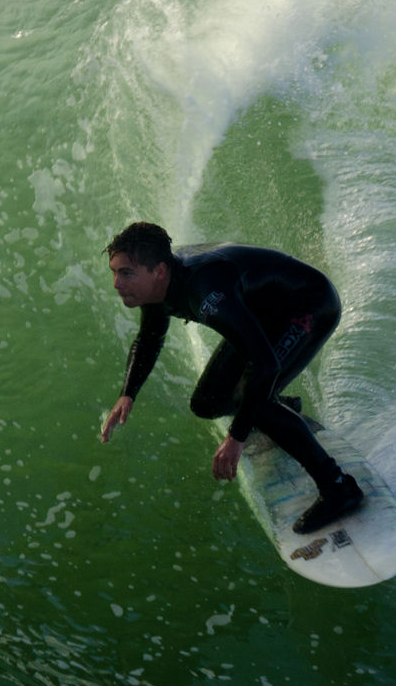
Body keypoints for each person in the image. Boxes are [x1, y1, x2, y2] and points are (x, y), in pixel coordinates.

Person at [98, 221, 367, 535]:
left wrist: (237, 437)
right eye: (114, 272)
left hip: (308, 305)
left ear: (158, 271)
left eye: (126, 273)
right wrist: (127, 393)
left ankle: (339, 488)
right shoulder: (160, 287)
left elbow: (264, 365)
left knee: (257, 400)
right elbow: (149, 337)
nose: (117, 283)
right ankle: (282, 409)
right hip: (258, 315)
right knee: (207, 403)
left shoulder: (204, 290)